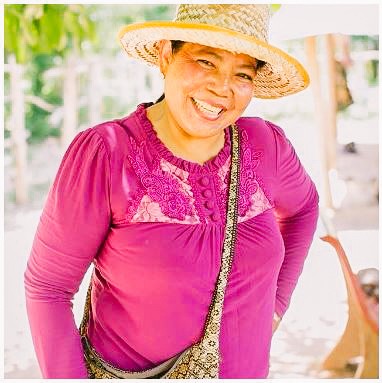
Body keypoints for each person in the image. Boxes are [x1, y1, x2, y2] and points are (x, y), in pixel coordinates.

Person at [24, 4, 319, 379]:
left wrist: (277, 304)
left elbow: (304, 208)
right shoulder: (108, 152)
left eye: (242, 73)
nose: (222, 87)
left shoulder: (265, 146)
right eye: (206, 62)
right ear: (166, 55)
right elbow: (48, 290)